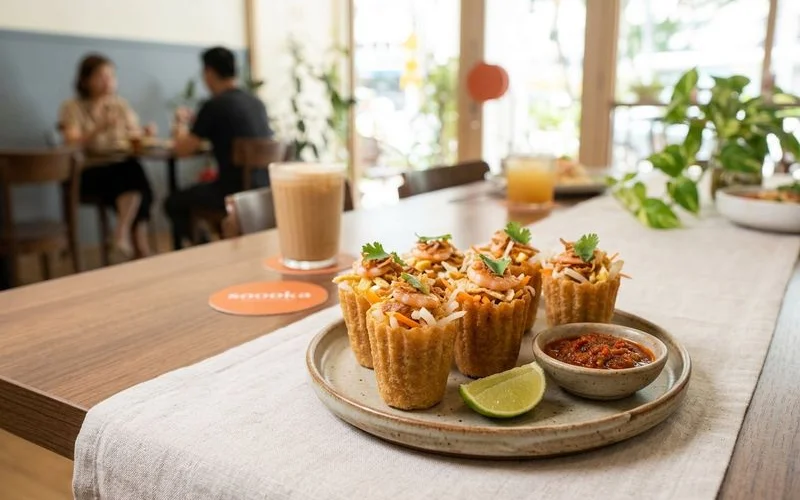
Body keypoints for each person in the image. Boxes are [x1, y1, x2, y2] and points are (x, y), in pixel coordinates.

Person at [166, 46, 273, 247]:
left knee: (173, 202)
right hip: (264, 189)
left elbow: (183, 150)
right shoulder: (256, 103)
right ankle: (212, 242)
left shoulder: (214, 105)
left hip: (231, 193)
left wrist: (179, 123)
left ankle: (202, 248)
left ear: (209, 72)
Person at [60, 54, 154, 258]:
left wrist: (144, 133)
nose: (108, 81)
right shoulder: (73, 107)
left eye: (111, 76)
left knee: (136, 179)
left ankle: (126, 234)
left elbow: (133, 132)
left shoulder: (119, 105)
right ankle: (138, 244)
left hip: (120, 168)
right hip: (87, 171)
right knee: (134, 177)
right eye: (101, 76)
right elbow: (71, 142)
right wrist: (98, 128)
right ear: (85, 80)